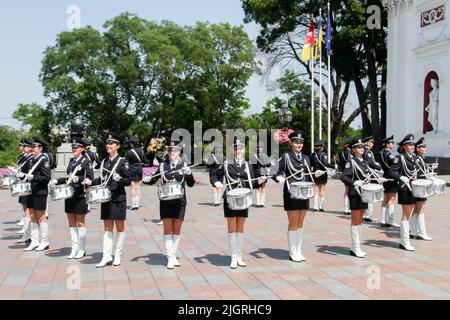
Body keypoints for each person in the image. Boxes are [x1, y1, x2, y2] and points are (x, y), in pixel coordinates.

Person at [211, 137, 267, 269]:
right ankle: (233, 257)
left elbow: (251, 183)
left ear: (244, 149)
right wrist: (217, 182)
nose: (238, 150)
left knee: (240, 228)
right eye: (236, 148)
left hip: (243, 198)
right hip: (230, 198)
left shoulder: (248, 165)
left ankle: (239, 255)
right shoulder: (226, 163)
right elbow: (214, 175)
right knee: (232, 228)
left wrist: (260, 181)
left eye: (241, 148)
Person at [143, 139, 195, 269]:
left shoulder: (184, 165)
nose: (171, 152)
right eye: (170, 150)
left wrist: (189, 174)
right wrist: (147, 179)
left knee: (176, 230)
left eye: (174, 150)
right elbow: (154, 178)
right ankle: (170, 258)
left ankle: (173, 254)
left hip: (180, 201)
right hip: (166, 201)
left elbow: (191, 184)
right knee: (167, 229)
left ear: (179, 152)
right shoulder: (162, 165)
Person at [83, 133, 131, 267]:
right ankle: (106, 256)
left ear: (118, 146)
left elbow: (128, 181)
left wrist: (120, 179)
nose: (108, 146)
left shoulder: (123, 161)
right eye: (107, 144)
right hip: (106, 199)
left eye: (111, 144)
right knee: (107, 228)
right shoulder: (104, 161)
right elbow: (102, 179)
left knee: (120, 227)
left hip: (118, 198)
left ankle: (118, 255)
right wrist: (91, 181)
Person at [272, 131, 316, 262]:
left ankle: (299, 249)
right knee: (293, 222)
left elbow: (308, 174)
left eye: (301, 142)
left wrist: (316, 174)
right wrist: (278, 177)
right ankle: (292, 251)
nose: (299, 145)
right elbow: (275, 171)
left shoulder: (306, 157)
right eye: (296, 142)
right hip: (291, 193)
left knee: (301, 222)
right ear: (291, 143)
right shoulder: (285, 156)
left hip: (304, 193)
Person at [340, 138, 387, 258]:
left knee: (360, 221)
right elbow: (344, 177)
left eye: (362, 147)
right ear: (354, 150)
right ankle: (355, 248)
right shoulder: (351, 162)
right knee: (355, 221)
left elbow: (368, 175)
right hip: (355, 193)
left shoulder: (364, 162)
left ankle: (357, 246)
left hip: (364, 193)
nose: (362, 149)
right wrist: (354, 182)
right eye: (359, 147)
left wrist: (378, 179)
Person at [50, 138, 94, 259]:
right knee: (71, 223)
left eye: (76, 148)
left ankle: (82, 248)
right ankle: (74, 248)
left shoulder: (86, 162)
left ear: (82, 149)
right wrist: (57, 181)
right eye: (73, 148)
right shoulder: (71, 162)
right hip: (69, 194)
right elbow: (68, 177)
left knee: (80, 222)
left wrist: (79, 180)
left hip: (80, 195)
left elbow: (90, 179)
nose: (74, 150)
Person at [16, 138, 52, 251]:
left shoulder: (43, 159)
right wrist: (21, 175)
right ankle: (35, 241)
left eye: (35, 146)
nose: (32, 148)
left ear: (40, 148)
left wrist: (34, 177)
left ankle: (44, 241)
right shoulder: (33, 159)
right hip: (32, 190)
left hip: (40, 191)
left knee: (41, 217)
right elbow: (29, 174)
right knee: (32, 216)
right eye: (32, 146)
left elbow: (47, 178)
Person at [387, 134, 420, 251]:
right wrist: (400, 177)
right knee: (406, 215)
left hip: (414, 188)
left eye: (413, 144)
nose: (412, 146)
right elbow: (391, 171)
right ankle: (404, 241)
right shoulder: (400, 158)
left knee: (410, 214)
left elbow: (417, 172)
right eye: (410, 145)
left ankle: (405, 239)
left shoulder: (415, 158)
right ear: (405, 146)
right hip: (405, 188)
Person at [410, 137, 433, 241]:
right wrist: (427, 175)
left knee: (416, 209)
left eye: (425, 146)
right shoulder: (418, 159)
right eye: (423, 147)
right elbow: (418, 174)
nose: (425, 148)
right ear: (417, 149)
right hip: (419, 186)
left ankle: (413, 231)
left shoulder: (421, 158)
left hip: (420, 186)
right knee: (421, 209)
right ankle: (422, 233)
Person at [379, 135, 400, 228]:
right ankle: (390, 220)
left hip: (385, 177)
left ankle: (383, 220)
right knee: (391, 199)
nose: (393, 144)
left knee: (385, 199)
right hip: (391, 177)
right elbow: (394, 165)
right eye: (392, 143)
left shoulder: (381, 152)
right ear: (387, 144)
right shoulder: (389, 154)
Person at [310, 140, 337, 212]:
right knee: (322, 189)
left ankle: (315, 207)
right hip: (322, 173)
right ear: (321, 147)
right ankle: (320, 207)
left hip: (315, 173)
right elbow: (326, 164)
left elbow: (311, 164)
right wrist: (334, 166)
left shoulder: (312, 155)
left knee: (316, 189)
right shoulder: (323, 154)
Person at [362, 136, 383, 223]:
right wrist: (378, 166)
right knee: (369, 194)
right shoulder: (368, 152)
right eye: (371, 142)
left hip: (363, 174)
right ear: (367, 142)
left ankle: (364, 214)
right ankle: (368, 215)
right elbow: (371, 163)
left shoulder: (363, 151)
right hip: (367, 174)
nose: (373, 144)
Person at [126, 136, 149, 210]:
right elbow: (145, 161)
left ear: (132, 144)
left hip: (132, 169)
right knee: (138, 186)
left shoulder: (129, 152)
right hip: (139, 169)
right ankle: (137, 204)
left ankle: (133, 205)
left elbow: (126, 162)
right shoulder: (142, 151)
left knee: (133, 186)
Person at [252, 141, 273, 208]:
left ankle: (258, 203)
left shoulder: (253, 156)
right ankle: (262, 203)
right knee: (263, 187)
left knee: (258, 188)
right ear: (262, 148)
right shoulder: (265, 155)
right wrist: (266, 164)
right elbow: (269, 165)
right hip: (263, 172)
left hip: (256, 173)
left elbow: (252, 166)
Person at [339, 138, 352, 215]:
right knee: (349, 191)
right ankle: (348, 208)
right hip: (349, 173)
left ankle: (346, 209)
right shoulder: (349, 152)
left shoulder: (342, 152)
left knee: (346, 191)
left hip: (344, 172)